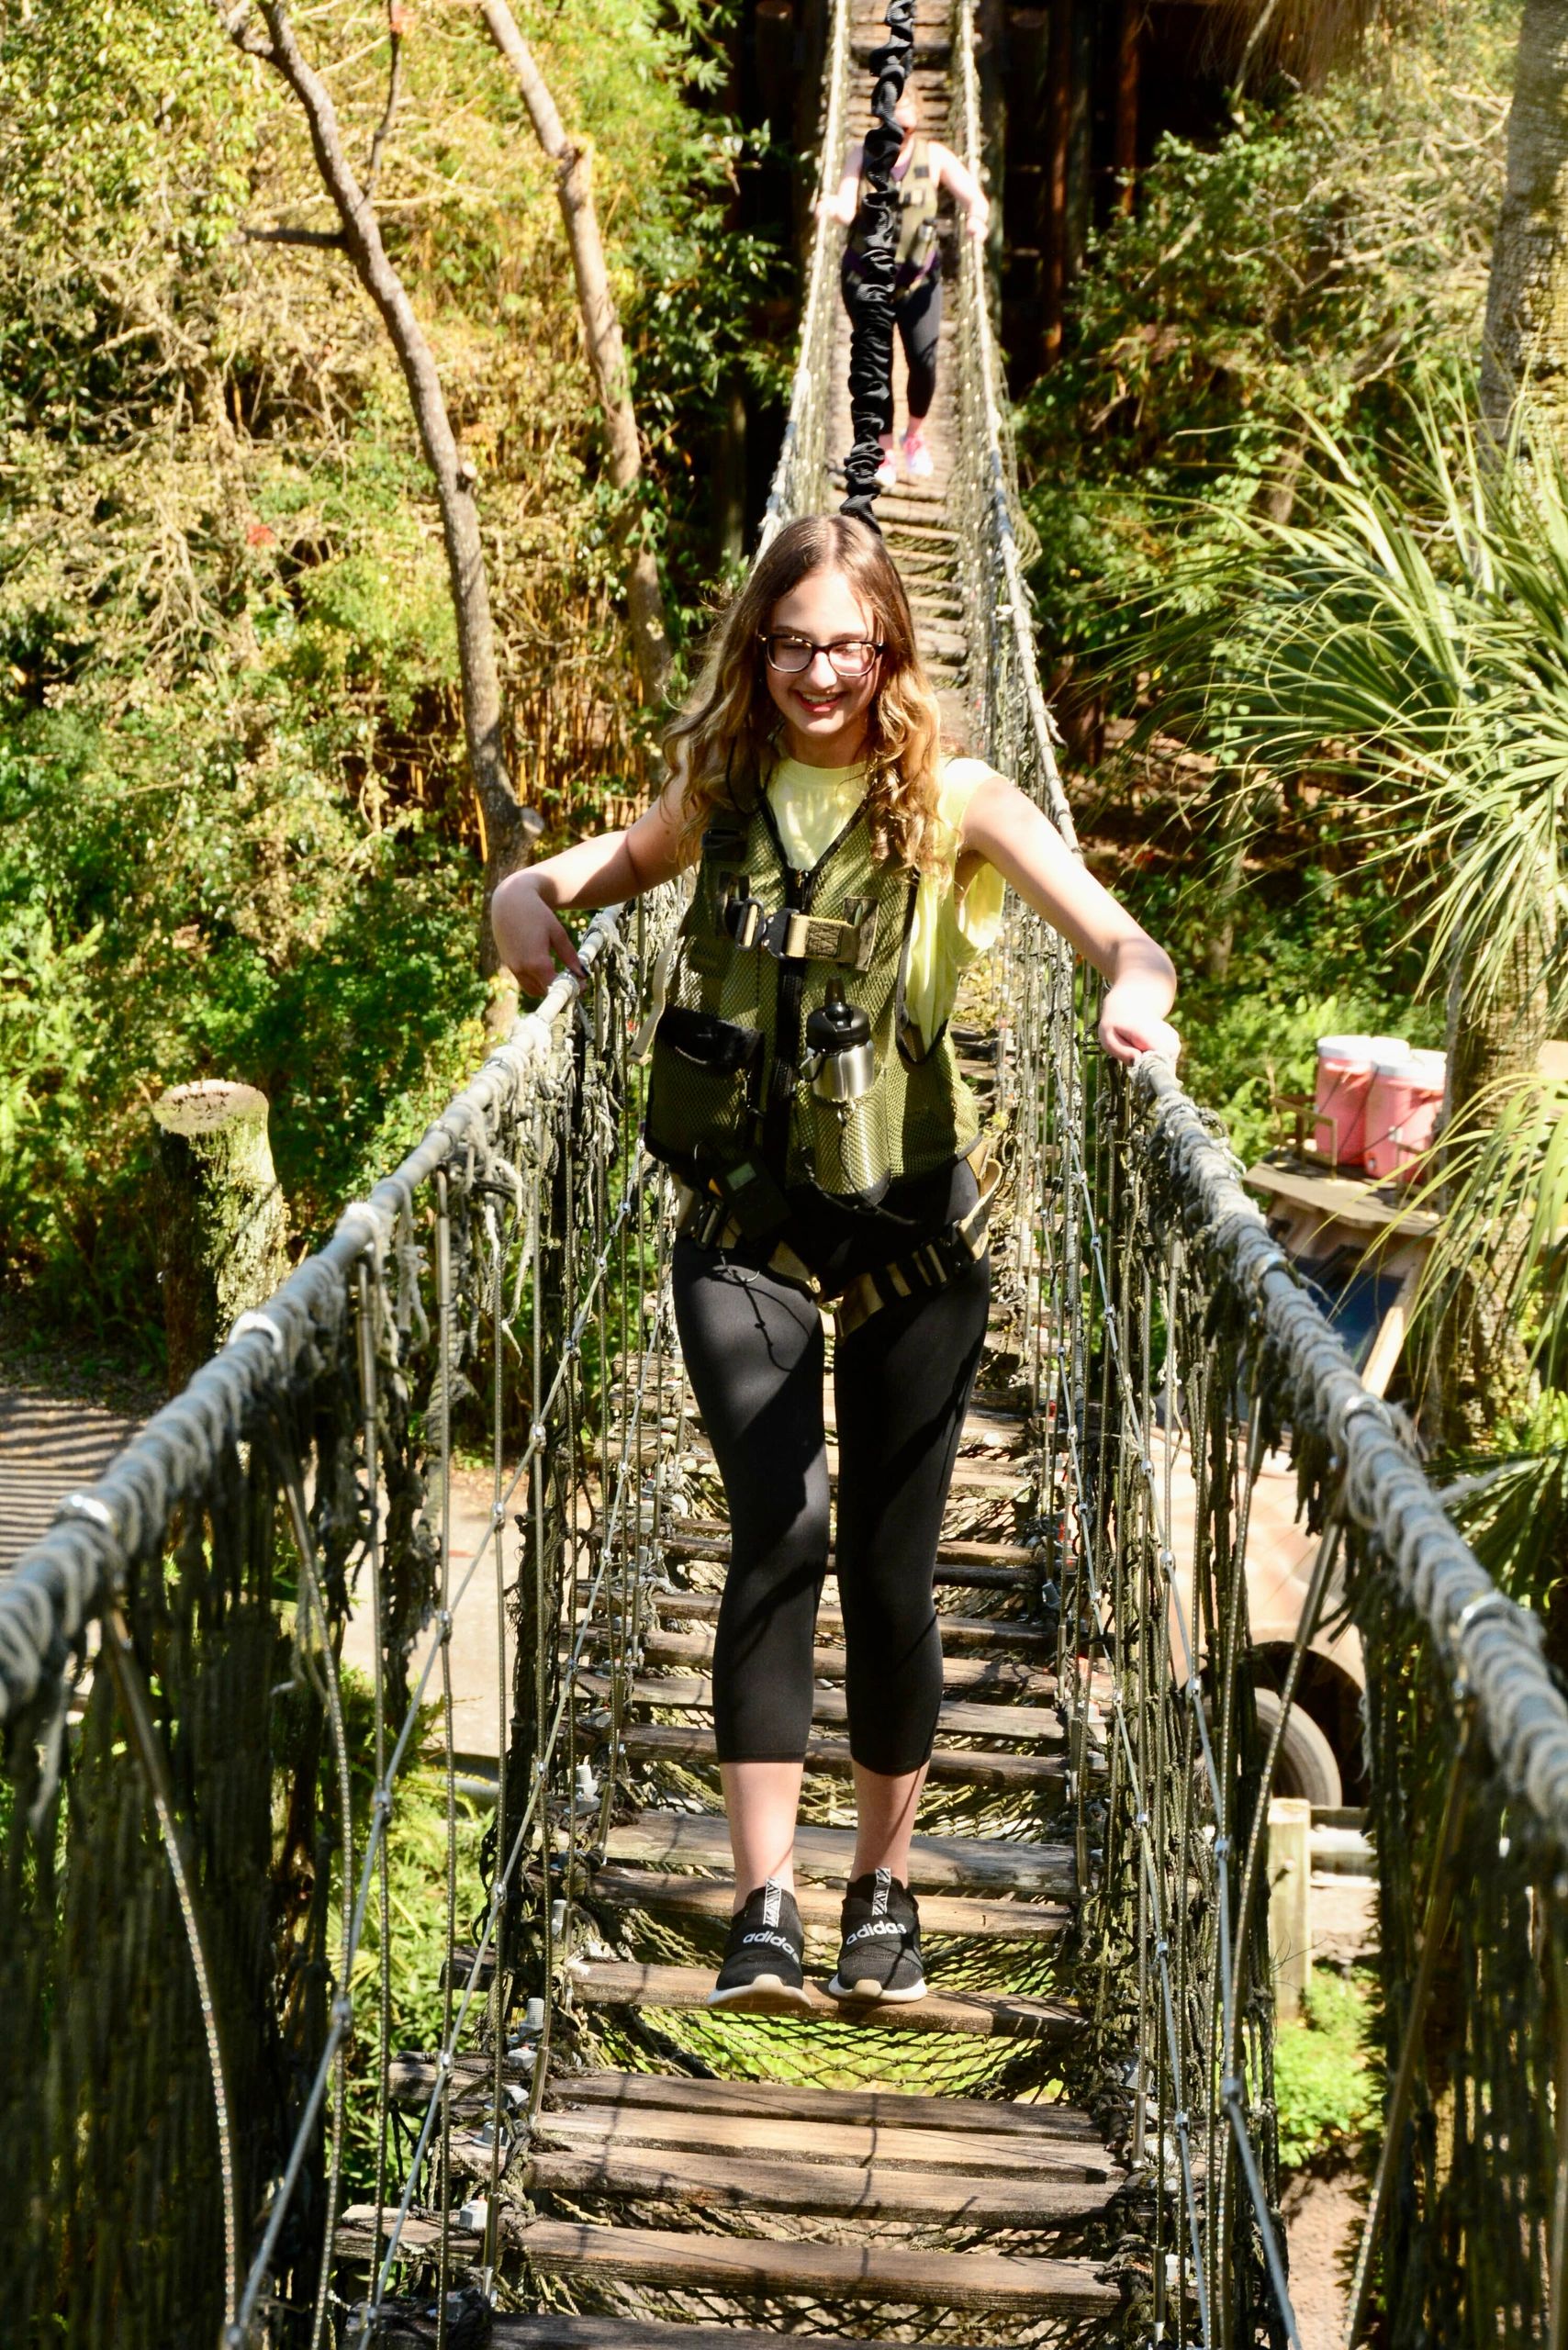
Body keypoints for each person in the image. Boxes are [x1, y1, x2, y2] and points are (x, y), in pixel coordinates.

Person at [491, 513, 1178, 2016]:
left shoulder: (960, 803)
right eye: (789, 643)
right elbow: (567, 880)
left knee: (883, 1570)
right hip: (736, 1233)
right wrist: (521, 909)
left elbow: (1121, 941)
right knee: (774, 1535)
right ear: (759, 651)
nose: (816, 672)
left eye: (843, 646)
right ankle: (762, 1908)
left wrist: (1133, 996)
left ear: (887, 654)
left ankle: (879, 1883)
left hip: (910, 1248)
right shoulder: (718, 795)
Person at [818, 87, 989, 487]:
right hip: (866, 281)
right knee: (878, 367)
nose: (900, 136)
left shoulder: (935, 157)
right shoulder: (862, 155)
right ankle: (883, 450)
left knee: (924, 362)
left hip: (918, 282)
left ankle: (914, 435)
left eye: (908, 128)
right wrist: (831, 208)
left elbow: (975, 199)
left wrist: (976, 220)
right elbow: (846, 204)